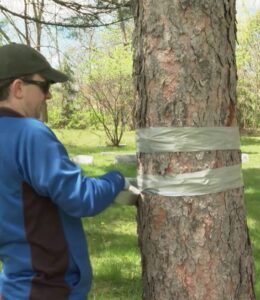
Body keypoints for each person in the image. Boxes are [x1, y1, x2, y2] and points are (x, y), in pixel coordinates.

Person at [0, 43, 138, 300]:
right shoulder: (29, 133)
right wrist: (116, 179)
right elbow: (81, 198)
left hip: (14, 287)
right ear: (18, 88)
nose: (48, 96)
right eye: (45, 86)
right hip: (49, 289)